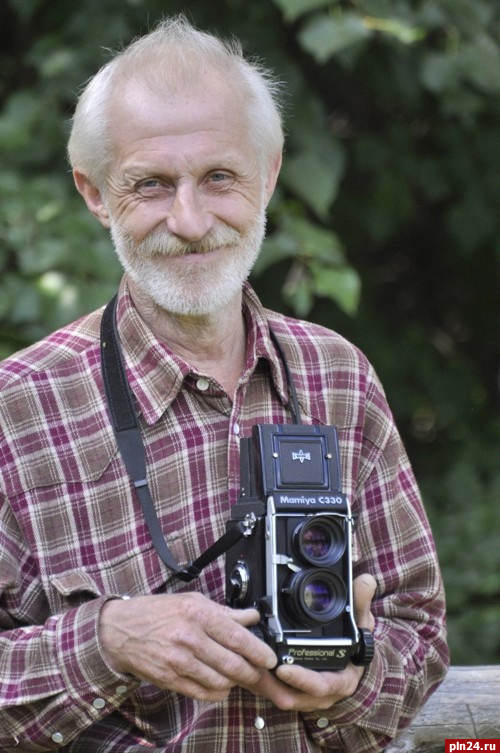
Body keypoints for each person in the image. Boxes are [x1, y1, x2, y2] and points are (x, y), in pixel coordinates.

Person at [0, 15, 448, 753]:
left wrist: (354, 679)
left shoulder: (339, 377)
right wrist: (106, 640)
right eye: (150, 184)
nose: (189, 220)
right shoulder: (18, 409)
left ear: (268, 174)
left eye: (219, 177)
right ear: (95, 193)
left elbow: (419, 632)